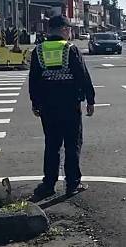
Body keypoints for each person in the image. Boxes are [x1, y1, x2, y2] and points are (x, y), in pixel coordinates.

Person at [29, 15, 96, 198]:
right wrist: (90, 100)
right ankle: (72, 184)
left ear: (50, 30)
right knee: (72, 144)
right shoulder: (70, 49)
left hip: (47, 106)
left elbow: (33, 80)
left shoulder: (38, 50)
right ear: (65, 30)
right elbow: (83, 76)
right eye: (70, 30)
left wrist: (35, 102)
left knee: (52, 145)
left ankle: (48, 184)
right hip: (70, 104)